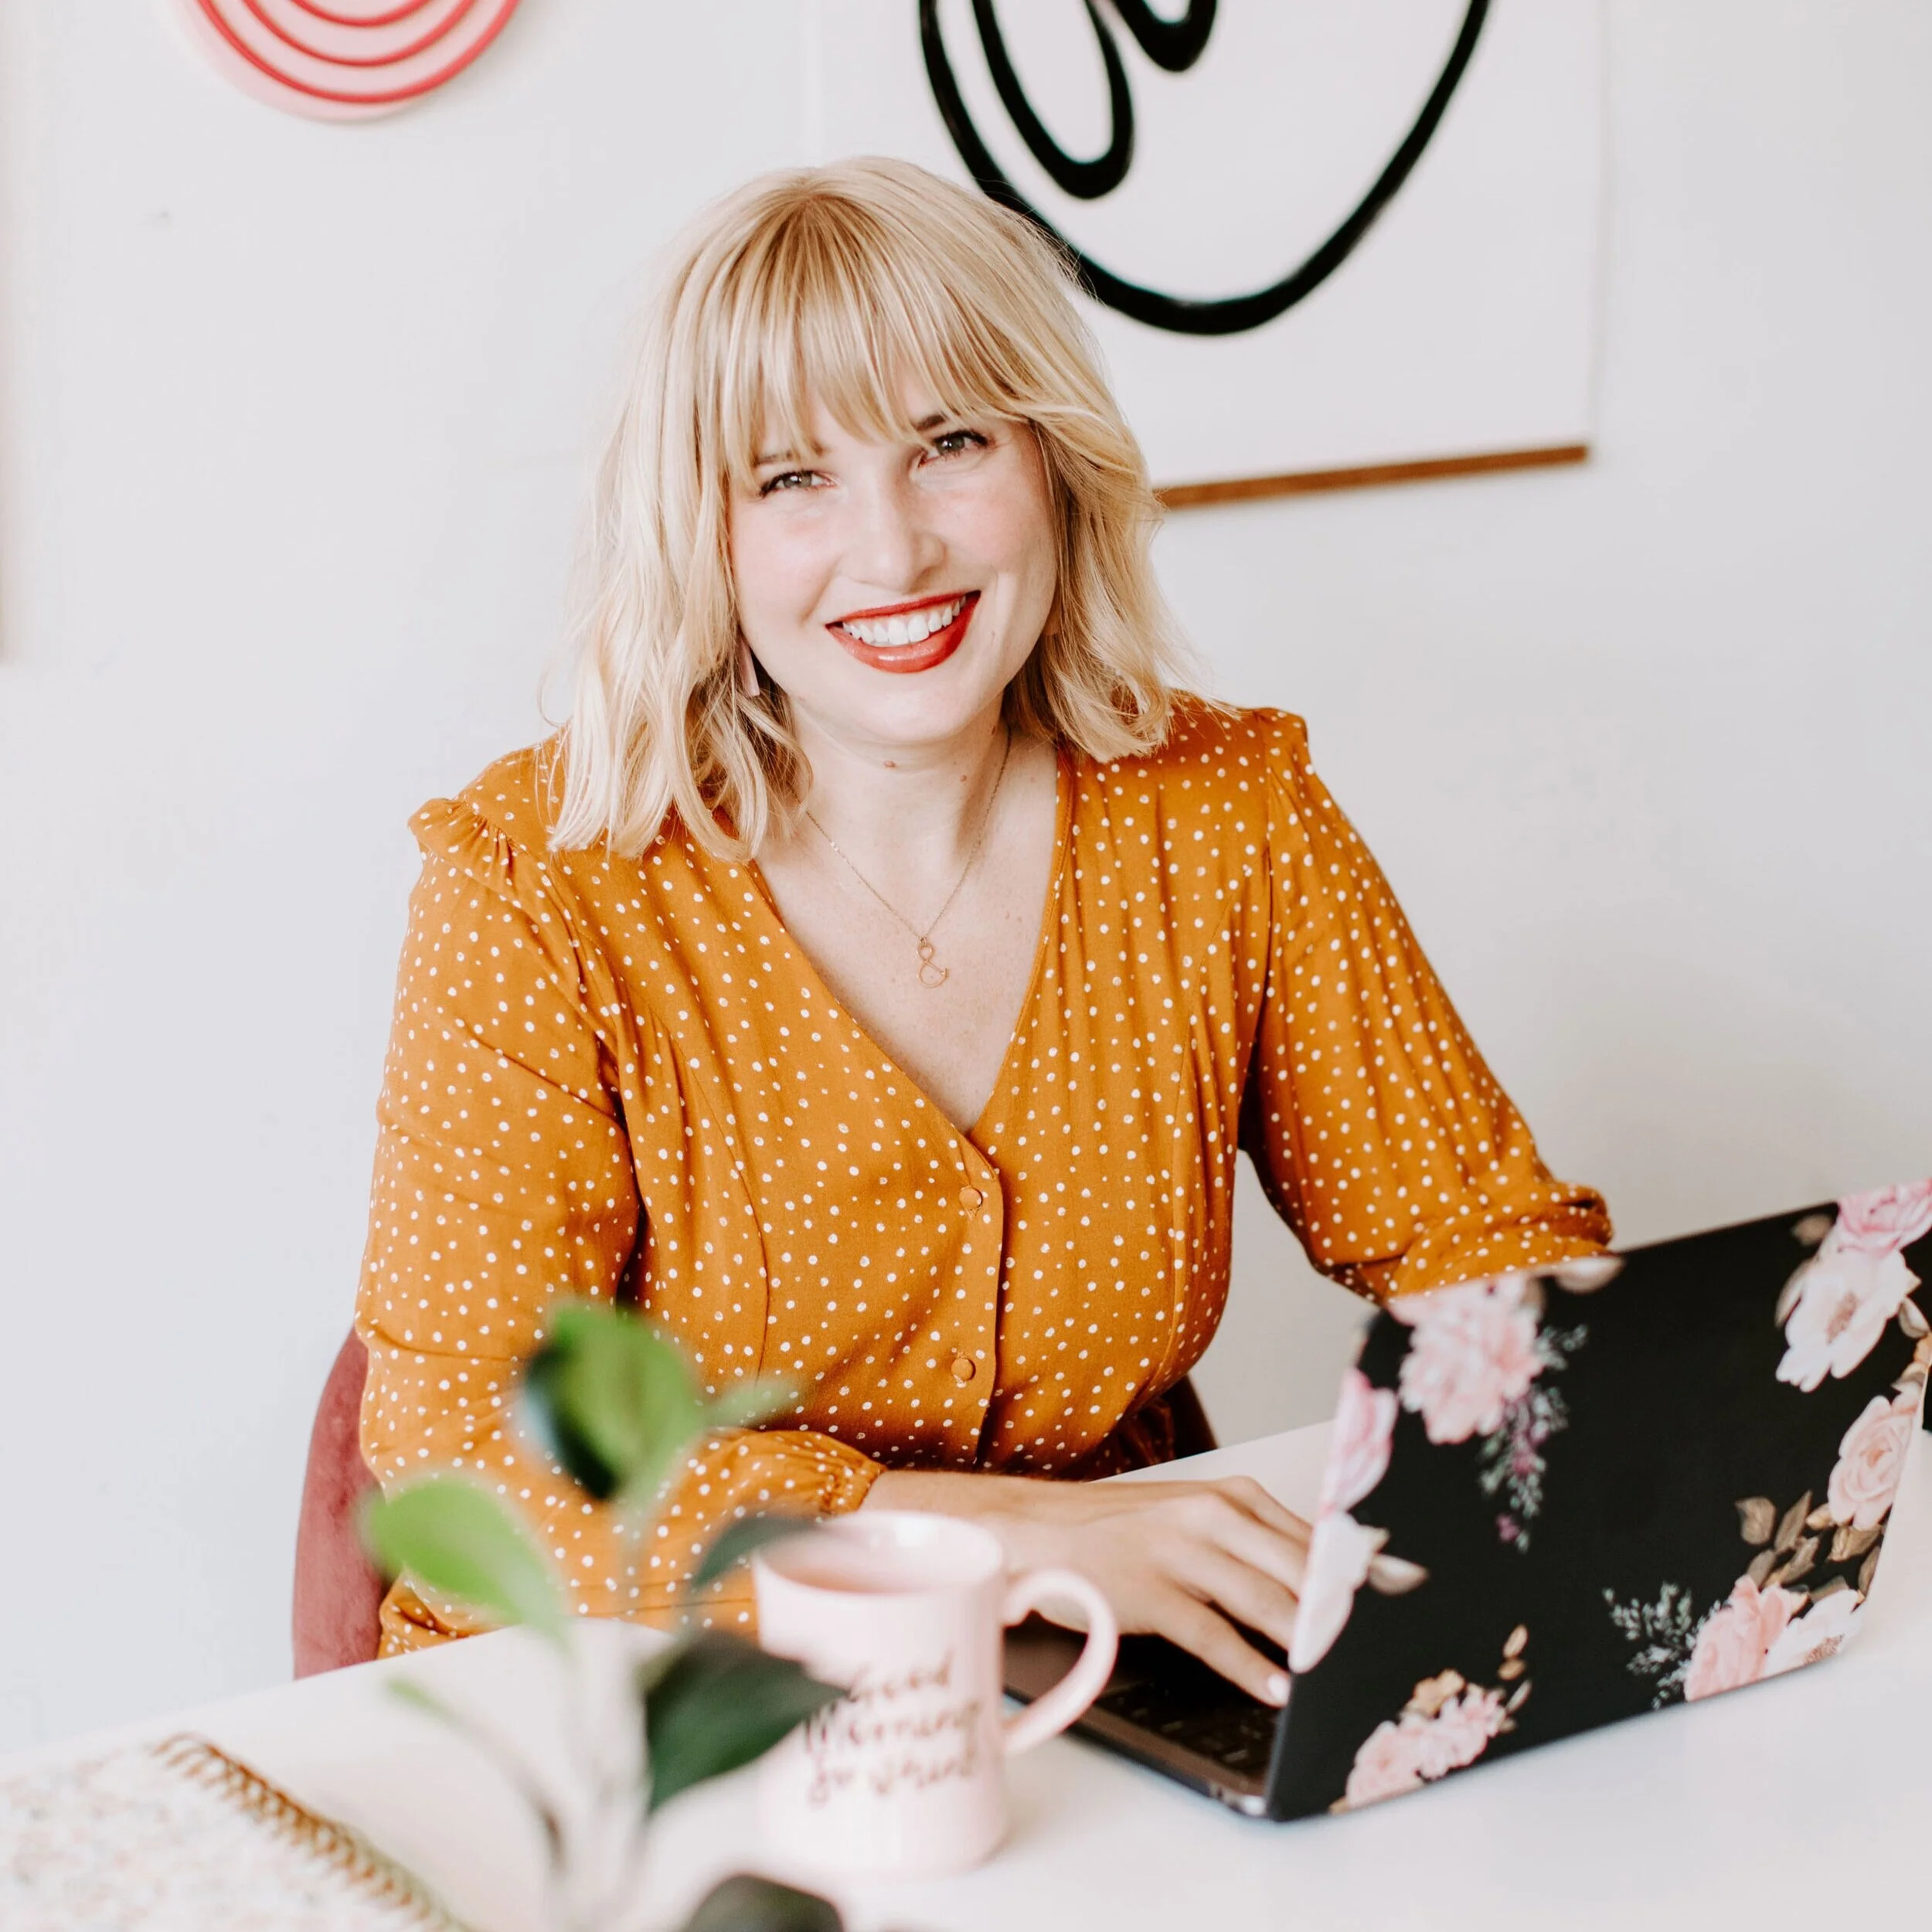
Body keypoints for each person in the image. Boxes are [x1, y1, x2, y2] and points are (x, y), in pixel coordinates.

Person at [354, 158, 1610, 1708]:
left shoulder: (1227, 814)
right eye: (790, 477)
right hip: (641, 1709)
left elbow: (1478, 1245)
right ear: (700, 530)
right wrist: (978, 1535)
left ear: (1053, 461)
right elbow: (463, 1454)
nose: (894, 554)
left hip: (1096, 1687)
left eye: (948, 444)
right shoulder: (537, 883)